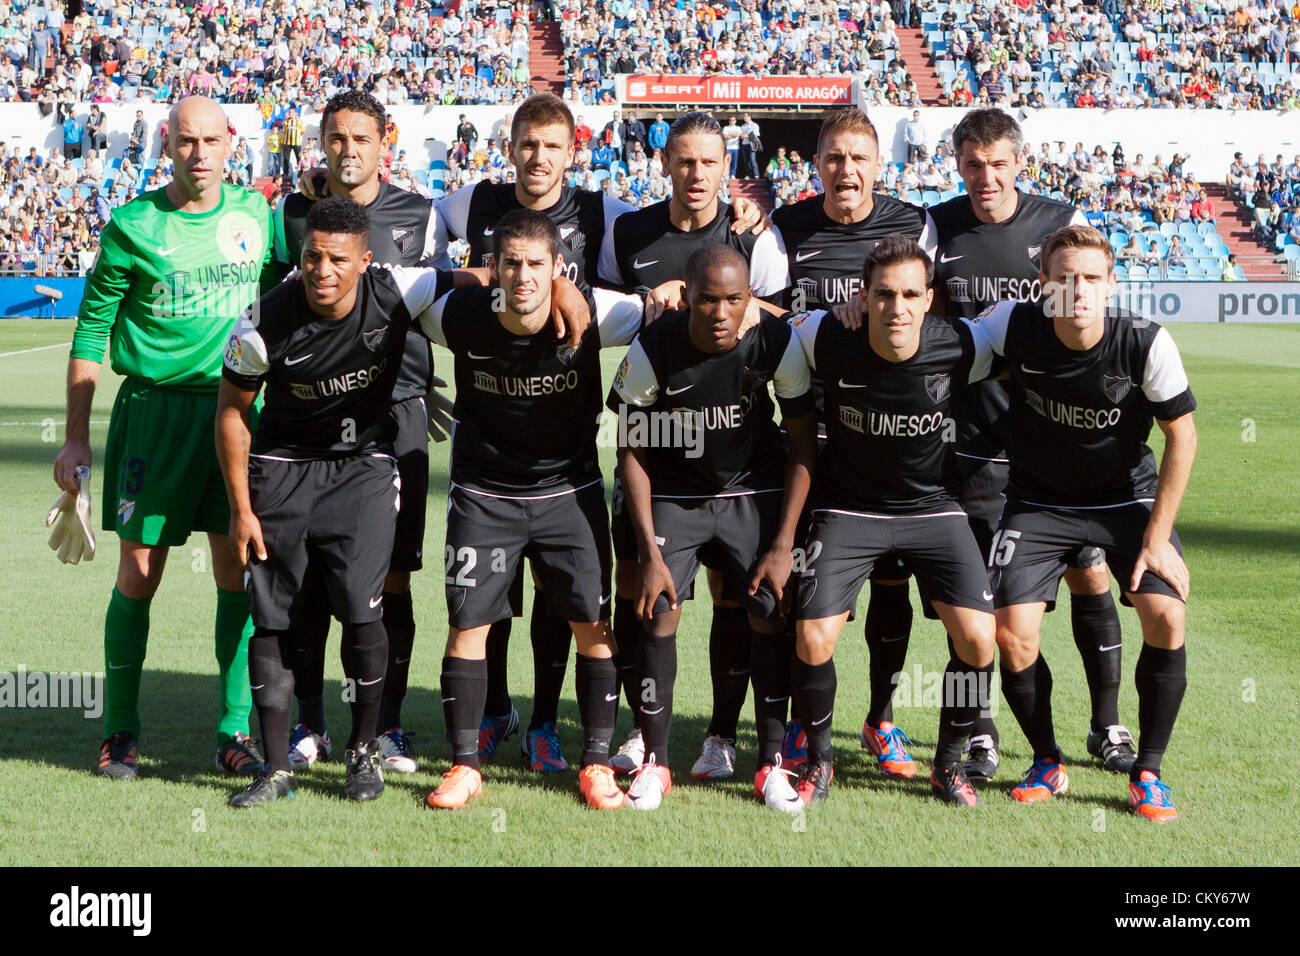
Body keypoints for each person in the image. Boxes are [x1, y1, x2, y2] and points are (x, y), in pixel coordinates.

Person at [53, 96, 277, 782]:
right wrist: (75, 439)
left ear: (230, 141)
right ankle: (120, 730)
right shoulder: (132, 225)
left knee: (238, 568)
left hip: (238, 414)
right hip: (154, 414)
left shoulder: (258, 217)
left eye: (211, 140)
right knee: (139, 572)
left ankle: (233, 730)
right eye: (186, 141)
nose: (199, 154)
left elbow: (293, 301)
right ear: (166, 144)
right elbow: (92, 331)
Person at [218, 197, 458, 807]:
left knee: (360, 609)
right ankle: (274, 770)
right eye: (311, 257)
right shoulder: (262, 321)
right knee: (275, 621)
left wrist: (560, 291)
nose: (322, 270)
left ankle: (362, 750)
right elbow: (231, 413)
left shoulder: (395, 290)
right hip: (282, 470)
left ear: (366, 261)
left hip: (362, 471)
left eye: (337, 259)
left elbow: (481, 278)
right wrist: (242, 509)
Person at [917, 109, 1132, 782]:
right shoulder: (936, 227)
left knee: (1089, 572)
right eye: (973, 164)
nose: (986, 177)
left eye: (998, 163)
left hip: (1057, 449)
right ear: (957, 163)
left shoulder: (1057, 222)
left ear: (1020, 162)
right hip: (973, 445)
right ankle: (978, 732)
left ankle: (1107, 724)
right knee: (976, 597)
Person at [422, 210, 647, 811]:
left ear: (558, 270)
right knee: (468, 626)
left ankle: (597, 764)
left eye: (537, 265)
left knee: (593, 629)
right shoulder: (455, 314)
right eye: (511, 263)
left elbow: (674, 310)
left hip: (567, 495)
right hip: (484, 494)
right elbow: (383, 296)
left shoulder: (601, 314)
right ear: (492, 267)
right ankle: (464, 766)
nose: (523, 276)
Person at [976, 225, 1197, 821]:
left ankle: (1148, 772)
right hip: (1039, 503)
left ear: (1111, 284)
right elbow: (943, 348)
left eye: (1091, 278)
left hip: (1126, 501)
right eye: (1065, 278)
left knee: (1166, 612)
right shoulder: (1012, 325)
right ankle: (1047, 759)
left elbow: (1183, 436)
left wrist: (1156, 536)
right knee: (1012, 633)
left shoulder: (1145, 343)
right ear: (1042, 284)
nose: (1078, 291)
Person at [597, 111, 790, 781]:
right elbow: (610, 313)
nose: (697, 173)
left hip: (736, 459)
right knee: (640, 589)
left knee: (735, 596)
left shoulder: (752, 234)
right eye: (684, 161)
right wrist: (653, 301)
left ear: (725, 167)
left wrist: (713, 304)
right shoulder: (628, 232)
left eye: (709, 162)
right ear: (664, 163)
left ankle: (720, 735)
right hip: (659, 442)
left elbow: (780, 325)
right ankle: (639, 725)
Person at [271, 90, 452, 775]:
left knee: (392, 579)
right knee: (311, 576)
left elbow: (437, 301)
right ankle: (308, 725)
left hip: (397, 410)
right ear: (323, 142)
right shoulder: (295, 213)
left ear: (387, 141)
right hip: (310, 417)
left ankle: (387, 728)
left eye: (361, 138)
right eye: (336, 138)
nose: (348, 151)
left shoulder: (419, 213)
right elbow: (272, 309)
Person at [788, 236, 998, 807]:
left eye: (910, 294)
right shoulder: (827, 335)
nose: (896, 307)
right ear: (864, 296)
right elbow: (760, 317)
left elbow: (1028, 333)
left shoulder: (958, 343)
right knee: (812, 637)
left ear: (929, 299)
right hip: (848, 507)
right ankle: (820, 762)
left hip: (931, 507)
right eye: (883, 294)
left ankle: (947, 766)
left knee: (980, 639)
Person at [610, 244, 816, 811]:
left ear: (750, 300)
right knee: (657, 609)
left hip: (752, 487)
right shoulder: (655, 346)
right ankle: (654, 760)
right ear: (686, 298)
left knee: (767, 609)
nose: (720, 312)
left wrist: (782, 544)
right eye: (706, 300)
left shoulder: (774, 341)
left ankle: (764, 762)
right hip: (675, 491)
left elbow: (801, 445)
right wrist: (650, 551)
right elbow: (630, 448)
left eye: (733, 300)